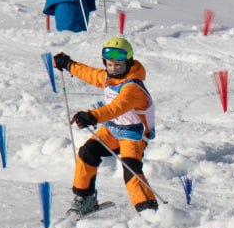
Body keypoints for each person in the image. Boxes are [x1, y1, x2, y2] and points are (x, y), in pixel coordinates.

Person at [51, 36, 159, 214]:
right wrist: (68, 64)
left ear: (128, 63)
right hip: (112, 130)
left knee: (130, 167)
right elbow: (89, 73)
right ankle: (85, 198)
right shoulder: (109, 77)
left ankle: (148, 209)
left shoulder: (133, 87)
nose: (114, 69)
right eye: (109, 64)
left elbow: (116, 108)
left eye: (119, 65)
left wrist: (91, 116)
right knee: (87, 152)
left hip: (133, 135)